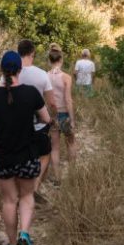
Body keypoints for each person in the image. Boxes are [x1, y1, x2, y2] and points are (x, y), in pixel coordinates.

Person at [0, 51, 51, 245]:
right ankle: (25, 233)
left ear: (1, 71)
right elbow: (46, 119)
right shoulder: (31, 93)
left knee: (9, 200)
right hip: (27, 155)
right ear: (20, 70)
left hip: (2, 157)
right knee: (27, 197)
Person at [16, 39, 56, 198]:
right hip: (38, 125)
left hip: (16, 125)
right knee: (44, 154)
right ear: (32, 54)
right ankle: (34, 187)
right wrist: (53, 117)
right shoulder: (42, 74)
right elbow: (51, 102)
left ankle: (20, 189)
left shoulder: (10, 74)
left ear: (18, 53)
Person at [47, 44, 76, 179]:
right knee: (71, 142)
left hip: (52, 114)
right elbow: (68, 99)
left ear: (49, 60)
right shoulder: (66, 77)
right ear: (61, 60)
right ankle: (72, 174)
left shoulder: (45, 76)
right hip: (64, 114)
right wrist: (72, 118)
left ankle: (57, 178)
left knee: (55, 147)